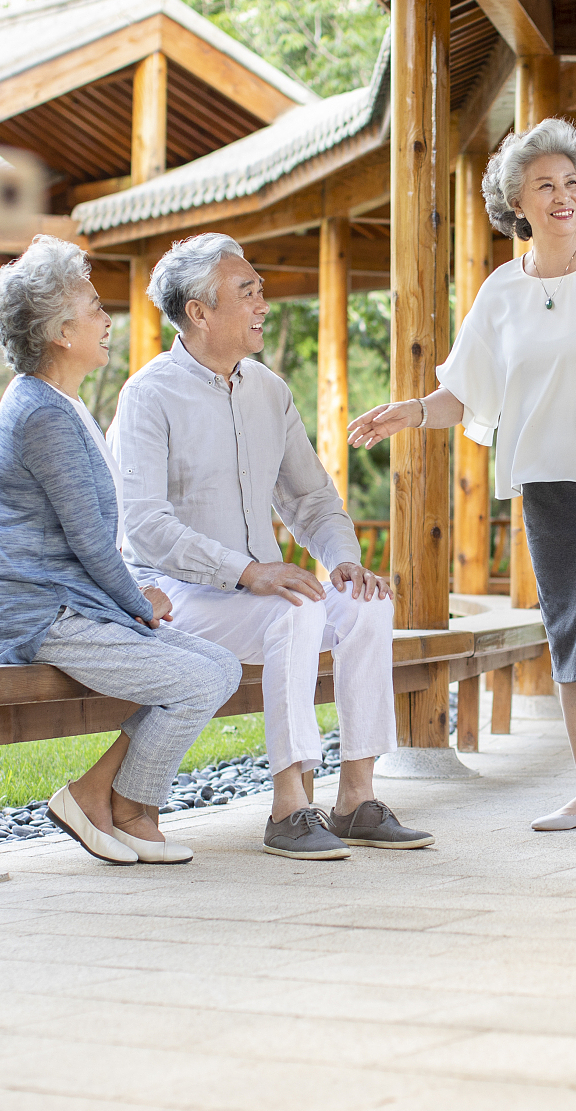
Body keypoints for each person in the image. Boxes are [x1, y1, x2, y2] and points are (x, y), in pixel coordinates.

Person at [347, 117, 576, 832]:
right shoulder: (501, 290)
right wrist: (409, 411)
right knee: (567, 633)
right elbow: (466, 392)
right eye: (544, 185)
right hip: (546, 484)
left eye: (571, 182)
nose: (563, 195)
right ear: (518, 202)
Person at [113, 233, 433, 861]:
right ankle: (290, 807)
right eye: (247, 291)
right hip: (176, 596)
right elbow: (145, 524)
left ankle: (356, 801)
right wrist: (247, 571)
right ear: (198, 311)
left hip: (262, 588)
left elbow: (311, 500)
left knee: (364, 605)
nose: (264, 303)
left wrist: (342, 562)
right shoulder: (147, 396)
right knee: (294, 610)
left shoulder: (268, 390)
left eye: (260, 289)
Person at [0, 235, 243, 866]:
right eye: (93, 307)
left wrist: (131, 603)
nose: (106, 318)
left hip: (72, 607)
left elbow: (89, 539)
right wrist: (139, 604)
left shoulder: (60, 405)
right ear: (62, 332)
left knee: (220, 669)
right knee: (201, 677)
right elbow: (91, 542)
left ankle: (98, 795)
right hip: (37, 617)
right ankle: (127, 809)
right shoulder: (40, 415)